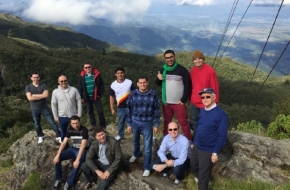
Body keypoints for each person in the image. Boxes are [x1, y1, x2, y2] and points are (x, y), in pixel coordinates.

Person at [190, 88, 228, 190]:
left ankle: (204, 181)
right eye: (202, 97)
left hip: (208, 150)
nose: (205, 99)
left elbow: (222, 136)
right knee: (193, 166)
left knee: (202, 179)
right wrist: (194, 142)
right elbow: (200, 128)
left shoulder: (221, 114)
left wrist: (215, 153)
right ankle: (205, 178)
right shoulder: (202, 111)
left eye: (208, 96)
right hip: (197, 146)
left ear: (214, 97)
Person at [126, 76, 160, 177]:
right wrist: (128, 123)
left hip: (147, 123)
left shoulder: (153, 94)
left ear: (147, 82)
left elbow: (157, 110)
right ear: (137, 84)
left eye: (144, 82)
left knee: (148, 147)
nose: (142, 84)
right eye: (140, 83)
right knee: (135, 141)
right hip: (135, 122)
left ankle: (146, 167)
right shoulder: (133, 94)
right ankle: (136, 153)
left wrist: (156, 124)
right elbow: (128, 109)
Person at [155, 49, 191, 140]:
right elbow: (157, 83)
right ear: (165, 59)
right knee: (167, 121)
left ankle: (188, 139)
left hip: (179, 102)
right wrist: (158, 78)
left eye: (171, 57)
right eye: (167, 58)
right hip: (166, 102)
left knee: (183, 121)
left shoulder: (182, 70)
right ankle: (166, 139)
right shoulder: (163, 69)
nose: (169, 59)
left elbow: (188, 85)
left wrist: (183, 99)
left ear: (174, 57)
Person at [53, 115, 89, 190]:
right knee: (58, 159)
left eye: (77, 123)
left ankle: (69, 183)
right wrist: (57, 155)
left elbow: (83, 145)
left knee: (77, 164)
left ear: (79, 122)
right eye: (73, 123)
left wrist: (77, 159)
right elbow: (63, 143)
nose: (75, 125)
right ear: (70, 123)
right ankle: (59, 178)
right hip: (73, 148)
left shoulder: (84, 129)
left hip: (82, 149)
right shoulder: (70, 129)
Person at [25, 72, 61, 144]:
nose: (36, 79)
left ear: (39, 78)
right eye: (34, 77)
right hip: (34, 109)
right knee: (37, 124)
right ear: (31, 78)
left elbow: (46, 95)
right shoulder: (28, 87)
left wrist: (34, 96)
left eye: (37, 77)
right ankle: (40, 136)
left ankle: (59, 136)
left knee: (52, 122)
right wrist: (40, 96)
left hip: (44, 108)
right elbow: (29, 98)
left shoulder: (43, 85)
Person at [150, 122, 189, 187]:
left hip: (184, 159)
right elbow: (160, 151)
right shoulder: (166, 138)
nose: (173, 131)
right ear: (168, 130)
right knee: (153, 165)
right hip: (173, 155)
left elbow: (182, 159)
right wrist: (167, 161)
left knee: (176, 170)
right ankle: (167, 170)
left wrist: (165, 165)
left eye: (175, 129)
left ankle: (179, 178)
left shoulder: (184, 141)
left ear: (179, 129)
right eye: (170, 129)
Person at [190, 50, 219, 134]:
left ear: (203, 59)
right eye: (195, 59)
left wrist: (215, 102)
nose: (197, 61)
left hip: (205, 103)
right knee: (194, 122)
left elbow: (215, 87)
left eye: (199, 59)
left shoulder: (210, 71)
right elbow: (191, 86)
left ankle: (205, 140)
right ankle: (197, 139)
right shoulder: (192, 70)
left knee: (206, 123)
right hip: (194, 102)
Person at [51, 75, 82, 142]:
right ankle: (65, 148)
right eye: (61, 81)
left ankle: (78, 147)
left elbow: (79, 101)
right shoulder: (55, 92)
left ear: (67, 81)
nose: (63, 82)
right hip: (62, 116)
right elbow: (53, 104)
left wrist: (79, 114)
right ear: (58, 82)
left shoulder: (74, 90)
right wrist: (55, 116)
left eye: (65, 81)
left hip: (73, 115)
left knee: (77, 133)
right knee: (63, 134)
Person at [78, 62, 106, 130]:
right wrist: (81, 97)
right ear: (83, 68)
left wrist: (99, 94)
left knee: (100, 111)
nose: (88, 68)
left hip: (96, 96)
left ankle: (102, 126)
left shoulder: (97, 75)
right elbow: (80, 88)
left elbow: (102, 85)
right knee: (90, 111)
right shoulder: (82, 77)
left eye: (89, 67)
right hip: (87, 97)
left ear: (91, 67)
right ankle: (92, 125)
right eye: (86, 67)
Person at [109, 67, 135, 140]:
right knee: (121, 122)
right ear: (115, 74)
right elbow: (111, 97)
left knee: (135, 121)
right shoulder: (113, 85)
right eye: (118, 73)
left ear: (124, 73)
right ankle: (120, 136)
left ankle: (140, 135)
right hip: (120, 107)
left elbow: (135, 93)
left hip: (131, 106)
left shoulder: (129, 82)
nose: (120, 74)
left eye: (121, 73)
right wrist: (112, 109)